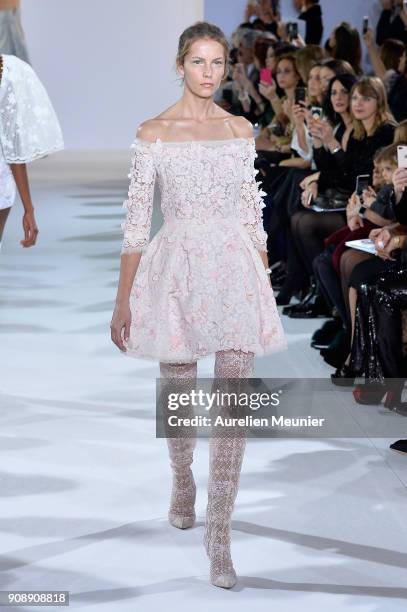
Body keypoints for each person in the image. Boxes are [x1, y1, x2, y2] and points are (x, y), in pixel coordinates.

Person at [110, 21, 287, 590]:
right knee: (180, 388)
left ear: (227, 67)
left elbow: (252, 211)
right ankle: (182, 475)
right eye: (198, 63)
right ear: (180, 64)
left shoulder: (239, 129)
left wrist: (263, 281)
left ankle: (220, 535)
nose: (209, 73)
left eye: (218, 64)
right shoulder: (153, 131)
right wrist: (123, 302)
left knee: (233, 400)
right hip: (178, 267)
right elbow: (137, 222)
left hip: (233, 268)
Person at [0, 54, 64, 250]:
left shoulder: (9, 70)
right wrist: (29, 210)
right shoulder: (9, 70)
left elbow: (13, 145)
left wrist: (29, 209)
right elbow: (13, 145)